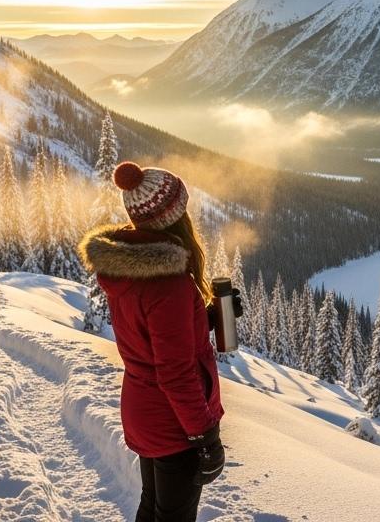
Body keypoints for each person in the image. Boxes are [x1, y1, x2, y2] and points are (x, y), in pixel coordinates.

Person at [78, 161, 225, 522]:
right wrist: (204, 435)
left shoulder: (130, 267)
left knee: (153, 506)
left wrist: (202, 317)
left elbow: (147, 332)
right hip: (174, 424)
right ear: (173, 217)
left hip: (145, 411)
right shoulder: (169, 284)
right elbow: (175, 372)